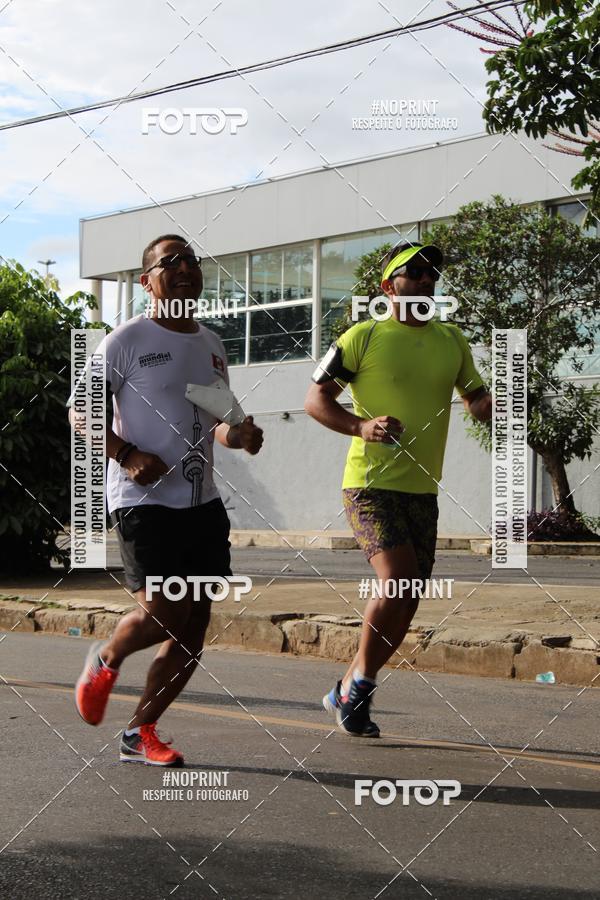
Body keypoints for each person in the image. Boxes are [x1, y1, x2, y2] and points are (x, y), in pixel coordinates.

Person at [70, 234, 263, 766]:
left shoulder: (211, 344)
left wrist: (240, 436)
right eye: (169, 262)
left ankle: (141, 732)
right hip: (142, 498)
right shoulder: (125, 340)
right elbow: (80, 413)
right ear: (146, 281)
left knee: (193, 625)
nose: (183, 268)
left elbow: (218, 420)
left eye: (191, 261)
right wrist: (127, 452)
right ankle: (107, 658)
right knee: (161, 612)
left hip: (201, 502)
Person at [304, 242, 491, 737]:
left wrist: (502, 403)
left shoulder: (452, 340)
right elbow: (315, 399)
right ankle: (360, 686)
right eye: (415, 272)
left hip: (422, 489)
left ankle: (345, 691)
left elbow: (476, 398)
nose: (427, 280)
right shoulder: (362, 336)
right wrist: (359, 427)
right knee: (398, 580)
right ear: (389, 287)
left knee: (407, 597)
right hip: (369, 484)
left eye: (433, 273)